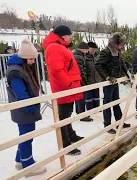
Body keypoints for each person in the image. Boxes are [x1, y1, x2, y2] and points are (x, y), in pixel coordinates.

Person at [6, 39, 47, 176]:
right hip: (24, 110)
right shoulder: (15, 72)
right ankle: (28, 166)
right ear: (24, 58)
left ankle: (20, 160)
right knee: (27, 136)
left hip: (25, 110)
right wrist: (31, 109)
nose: (33, 62)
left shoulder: (21, 68)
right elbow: (21, 95)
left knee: (25, 135)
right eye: (31, 59)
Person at [43, 25, 84, 156]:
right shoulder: (54, 48)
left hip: (68, 88)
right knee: (63, 117)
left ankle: (70, 135)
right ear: (61, 35)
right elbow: (57, 71)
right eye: (69, 34)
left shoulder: (59, 47)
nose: (71, 36)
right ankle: (65, 144)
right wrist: (69, 84)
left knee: (67, 114)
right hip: (64, 89)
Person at [95, 32, 132, 134]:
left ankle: (119, 121)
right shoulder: (106, 52)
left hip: (116, 80)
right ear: (116, 43)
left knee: (116, 101)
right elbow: (98, 65)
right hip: (109, 82)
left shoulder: (118, 51)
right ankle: (107, 125)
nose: (123, 45)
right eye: (121, 43)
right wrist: (107, 77)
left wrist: (128, 74)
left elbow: (122, 64)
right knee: (107, 103)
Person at [73, 42, 94, 122]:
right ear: (82, 49)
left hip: (79, 80)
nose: (86, 52)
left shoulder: (79, 55)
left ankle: (80, 113)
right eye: (86, 50)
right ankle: (81, 114)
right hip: (80, 80)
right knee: (80, 97)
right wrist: (85, 81)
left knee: (80, 97)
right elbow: (81, 71)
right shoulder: (78, 57)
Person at [85, 42, 101, 110]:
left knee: (96, 96)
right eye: (92, 49)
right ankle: (90, 109)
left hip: (96, 79)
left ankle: (97, 108)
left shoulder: (97, 57)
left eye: (94, 49)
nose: (93, 51)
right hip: (88, 80)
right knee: (88, 96)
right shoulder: (85, 57)